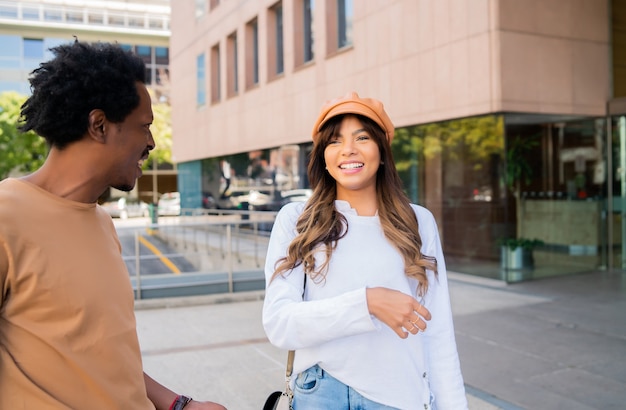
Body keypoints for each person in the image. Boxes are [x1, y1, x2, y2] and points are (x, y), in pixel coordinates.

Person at [0, 41, 226, 410]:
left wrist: (178, 405)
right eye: (144, 126)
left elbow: (105, 356)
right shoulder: (5, 215)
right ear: (99, 125)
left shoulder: (102, 222)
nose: (151, 142)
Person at [262, 92, 468, 409]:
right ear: (324, 157)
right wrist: (367, 303)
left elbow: (437, 332)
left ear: (382, 152)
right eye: (334, 141)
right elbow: (280, 324)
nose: (348, 150)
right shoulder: (297, 220)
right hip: (321, 392)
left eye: (362, 137)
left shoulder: (418, 222)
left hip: (398, 394)